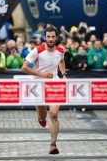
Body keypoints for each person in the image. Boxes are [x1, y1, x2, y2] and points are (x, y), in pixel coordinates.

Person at [21, 27, 67, 155]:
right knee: (43, 116)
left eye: (53, 37)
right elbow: (24, 67)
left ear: (56, 38)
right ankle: (41, 118)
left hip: (55, 83)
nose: (51, 39)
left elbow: (62, 62)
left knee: (53, 114)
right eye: (48, 37)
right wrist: (41, 74)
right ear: (45, 38)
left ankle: (53, 145)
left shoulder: (60, 50)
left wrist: (63, 74)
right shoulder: (38, 50)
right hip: (38, 84)